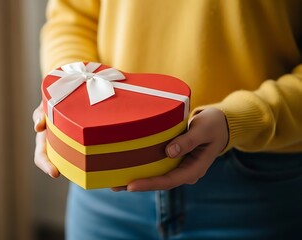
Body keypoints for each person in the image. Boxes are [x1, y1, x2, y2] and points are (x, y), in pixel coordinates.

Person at [32, 1, 302, 239]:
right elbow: (73, 16)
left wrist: (241, 118)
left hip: (257, 186)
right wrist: (67, 97)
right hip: (103, 171)